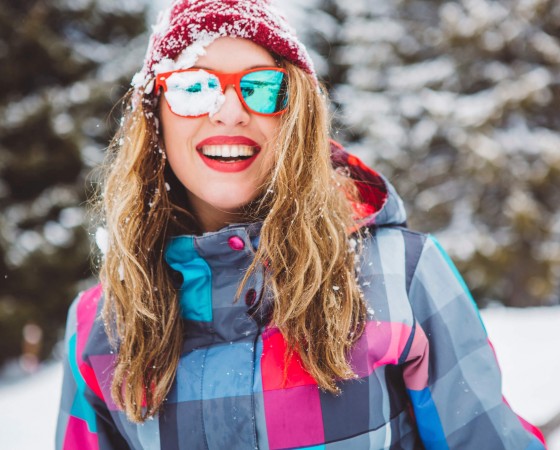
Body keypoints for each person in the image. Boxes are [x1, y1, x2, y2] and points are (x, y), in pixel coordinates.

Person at [55, 0, 547, 449]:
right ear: (155, 115)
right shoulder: (99, 327)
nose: (229, 111)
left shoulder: (399, 276)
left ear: (299, 116)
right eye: (193, 86)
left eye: (264, 88)